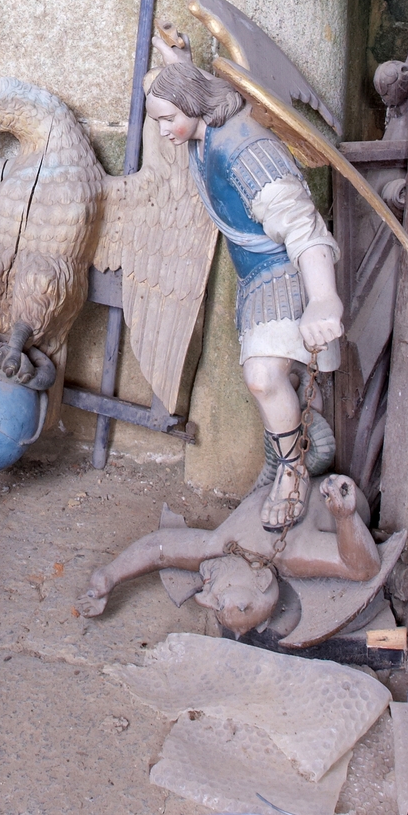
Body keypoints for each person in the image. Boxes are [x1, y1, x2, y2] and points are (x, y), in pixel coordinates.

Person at [146, 35, 342, 530]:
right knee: (274, 384)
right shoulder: (205, 127)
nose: (164, 131)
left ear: (193, 105)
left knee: (264, 377)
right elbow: (194, 97)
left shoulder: (247, 150)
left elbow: (303, 227)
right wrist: (179, 64)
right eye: (159, 120)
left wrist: (323, 299)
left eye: (168, 119)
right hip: (254, 277)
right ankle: (285, 458)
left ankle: (293, 473)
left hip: (284, 274)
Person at [81, 473, 380, 631]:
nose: (204, 591)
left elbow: (160, 548)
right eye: (219, 597)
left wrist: (110, 575)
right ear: (260, 579)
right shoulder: (292, 555)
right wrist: (346, 517)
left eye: (210, 602)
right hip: (341, 494)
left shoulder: (218, 549)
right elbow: (362, 568)